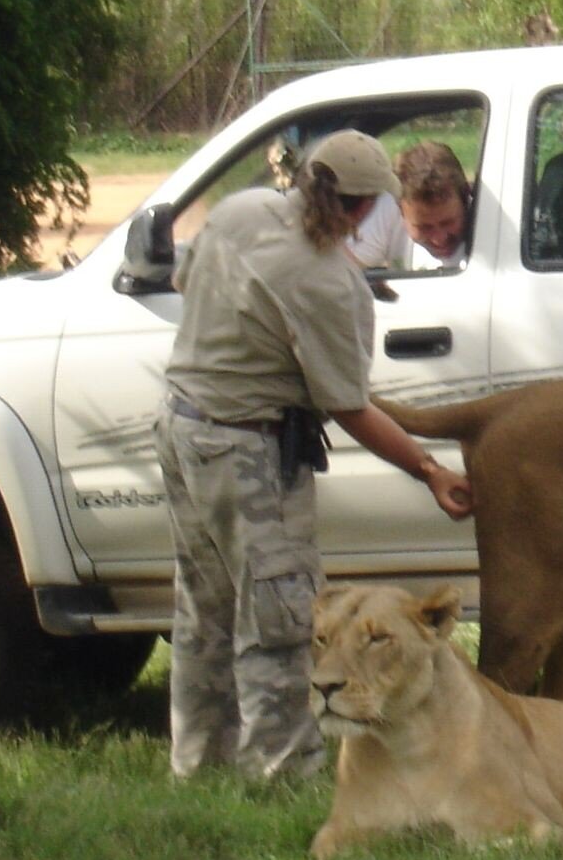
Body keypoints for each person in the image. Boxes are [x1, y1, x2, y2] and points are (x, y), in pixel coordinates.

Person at [154, 129, 473, 781]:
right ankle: (282, 771)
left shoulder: (241, 210)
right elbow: (348, 405)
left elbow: (187, 281)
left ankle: (198, 763)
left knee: (204, 610)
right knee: (277, 618)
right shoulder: (329, 284)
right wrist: (430, 470)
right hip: (248, 448)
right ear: (365, 208)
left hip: (182, 427)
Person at [343, 140, 471, 271]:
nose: (439, 239)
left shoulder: (490, 220)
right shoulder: (388, 207)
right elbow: (343, 270)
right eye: (424, 227)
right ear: (400, 209)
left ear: (467, 199)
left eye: (447, 223)